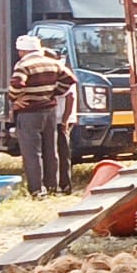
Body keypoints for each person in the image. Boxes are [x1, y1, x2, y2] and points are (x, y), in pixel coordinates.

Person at [9, 36, 75, 198]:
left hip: (29, 112)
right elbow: (70, 79)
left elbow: (16, 84)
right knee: (51, 150)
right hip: (49, 111)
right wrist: (54, 92)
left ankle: (37, 189)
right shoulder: (53, 63)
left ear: (22, 51)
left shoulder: (23, 65)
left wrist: (15, 99)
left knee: (32, 152)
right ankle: (52, 186)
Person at [51, 49, 79, 193]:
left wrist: (64, 121)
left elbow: (70, 98)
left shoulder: (62, 74)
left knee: (62, 152)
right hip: (54, 119)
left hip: (61, 119)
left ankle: (65, 184)